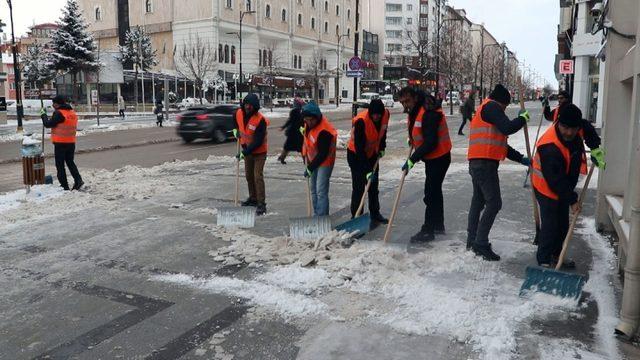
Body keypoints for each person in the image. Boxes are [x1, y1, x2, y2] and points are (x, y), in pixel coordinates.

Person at [532, 104, 604, 268]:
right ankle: (543, 259)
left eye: (573, 128)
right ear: (558, 123)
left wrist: (595, 148)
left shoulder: (577, 126)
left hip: (563, 185)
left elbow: (587, 129)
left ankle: (558, 255)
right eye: (565, 128)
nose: (569, 133)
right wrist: (572, 200)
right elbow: (556, 180)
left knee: (563, 224)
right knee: (550, 225)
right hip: (546, 187)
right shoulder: (549, 146)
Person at [466, 84, 530, 261]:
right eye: (506, 106)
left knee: (478, 202)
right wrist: (522, 119)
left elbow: (501, 143)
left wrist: (521, 158)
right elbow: (508, 128)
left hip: (477, 162)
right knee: (494, 203)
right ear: (502, 102)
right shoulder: (493, 107)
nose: (505, 110)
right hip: (484, 164)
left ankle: (472, 240)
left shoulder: (485, 109)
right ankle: (480, 242)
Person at [398, 87, 452, 243]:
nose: (405, 105)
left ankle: (428, 230)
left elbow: (431, 142)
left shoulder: (429, 111)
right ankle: (438, 225)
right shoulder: (416, 110)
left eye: (407, 101)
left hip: (439, 156)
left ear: (415, 97)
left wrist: (412, 159)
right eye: (402, 102)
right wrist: (413, 140)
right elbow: (420, 131)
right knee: (435, 191)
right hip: (433, 158)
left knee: (430, 193)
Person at [346, 99, 389, 224]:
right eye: (374, 114)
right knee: (359, 188)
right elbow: (359, 149)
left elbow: (383, 132)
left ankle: (375, 213)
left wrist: (382, 147)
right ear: (370, 113)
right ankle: (356, 215)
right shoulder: (361, 121)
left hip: (372, 154)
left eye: (379, 114)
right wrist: (367, 170)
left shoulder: (385, 115)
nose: (376, 117)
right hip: (356, 156)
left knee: (373, 186)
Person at [235, 93, 270, 215]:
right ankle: (253, 198)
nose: (247, 107)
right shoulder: (239, 113)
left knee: (257, 176)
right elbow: (234, 122)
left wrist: (244, 152)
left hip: (259, 152)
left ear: (255, 107)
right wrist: (235, 130)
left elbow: (258, 141)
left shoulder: (260, 120)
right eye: (246, 105)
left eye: (250, 106)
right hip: (247, 150)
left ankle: (261, 203)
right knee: (249, 175)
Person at [40, 95, 83, 191]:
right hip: (71, 142)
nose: (52, 105)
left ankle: (64, 186)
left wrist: (43, 115)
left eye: (53, 103)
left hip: (60, 143)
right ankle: (78, 180)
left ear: (57, 103)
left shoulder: (59, 113)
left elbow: (48, 124)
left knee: (60, 165)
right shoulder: (72, 112)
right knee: (70, 162)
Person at [301, 102, 338, 216]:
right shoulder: (308, 124)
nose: (309, 122)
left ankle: (321, 217)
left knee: (321, 190)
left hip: (325, 162)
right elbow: (308, 142)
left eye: (311, 120)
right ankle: (318, 213)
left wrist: (310, 168)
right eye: (306, 120)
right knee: (313, 190)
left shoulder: (324, 131)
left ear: (316, 117)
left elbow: (323, 153)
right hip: (312, 160)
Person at [277, 98, 305, 164]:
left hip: (293, 133)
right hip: (297, 133)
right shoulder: (301, 112)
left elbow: (290, 121)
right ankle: (305, 160)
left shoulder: (296, 111)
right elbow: (291, 121)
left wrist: (283, 127)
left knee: (287, 147)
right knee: (301, 147)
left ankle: (282, 158)